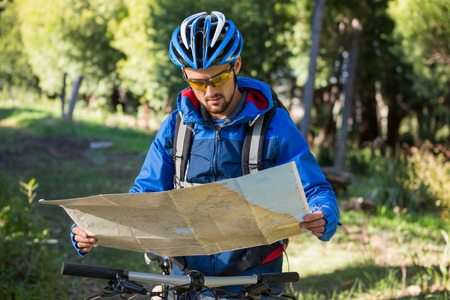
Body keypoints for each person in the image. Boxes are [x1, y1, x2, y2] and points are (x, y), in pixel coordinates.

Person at [71, 11, 340, 298]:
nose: (209, 91)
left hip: (255, 282)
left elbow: (315, 188)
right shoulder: (175, 127)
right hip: (185, 279)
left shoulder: (275, 126)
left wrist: (323, 213)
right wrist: (93, 227)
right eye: (198, 82)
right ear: (184, 75)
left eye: (219, 77)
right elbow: (144, 197)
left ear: (236, 64)